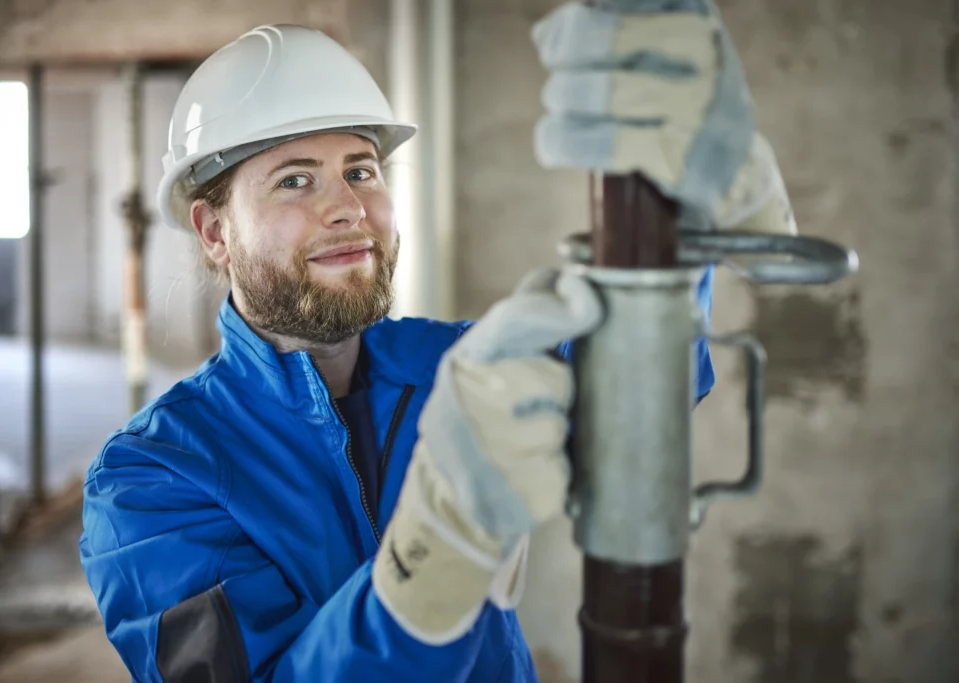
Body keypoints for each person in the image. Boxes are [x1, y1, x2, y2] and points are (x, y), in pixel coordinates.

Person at [81, 6, 795, 681]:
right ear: (214, 233)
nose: (348, 207)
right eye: (295, 180)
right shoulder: (149, 481)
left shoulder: (459, 367)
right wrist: (439, 544)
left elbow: (641, 381)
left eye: (361, 169)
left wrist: (704, 201)